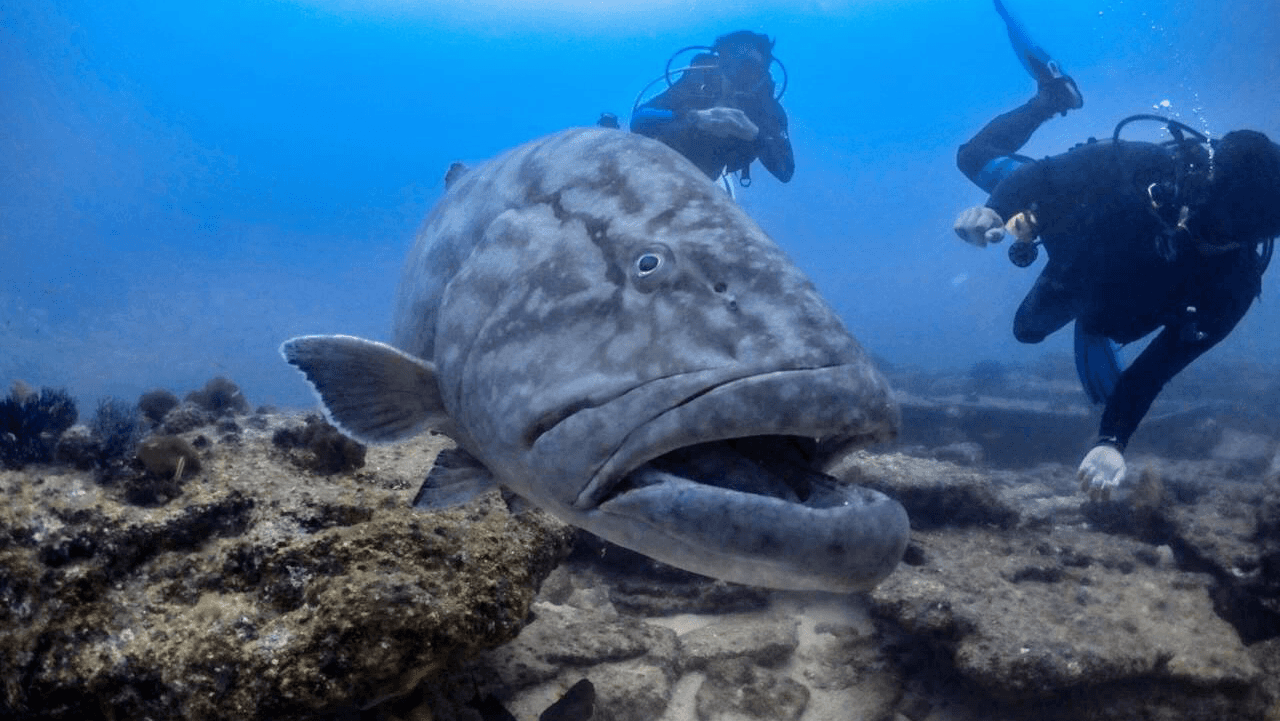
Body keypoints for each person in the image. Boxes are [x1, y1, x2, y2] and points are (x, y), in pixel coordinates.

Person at [953, 67, 1280, 498]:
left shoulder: (1233, 285)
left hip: (1101, 295)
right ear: (1204, 180)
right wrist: (995, 210)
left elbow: (1154, 369)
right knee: (972, 158)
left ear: (1252, 237)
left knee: (1033, 329)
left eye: (1224, 233)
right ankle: (1051, 99)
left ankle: (1090, 319)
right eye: (1207, 212)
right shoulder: (1145, 165)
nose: (1197, 232)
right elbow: (1045, 176)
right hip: (1063, 223)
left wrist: (1111, 441)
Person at [630, 30, 794, 188]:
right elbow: (639, 119)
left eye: (750, 70)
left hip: (706, 180)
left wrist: (755, 135)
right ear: (720, 63)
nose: (738, 77)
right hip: (661, 161)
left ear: (762, 73)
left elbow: (785, 171)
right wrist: (694, 118)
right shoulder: (697, 83)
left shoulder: (766, 110)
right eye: (730, 65)